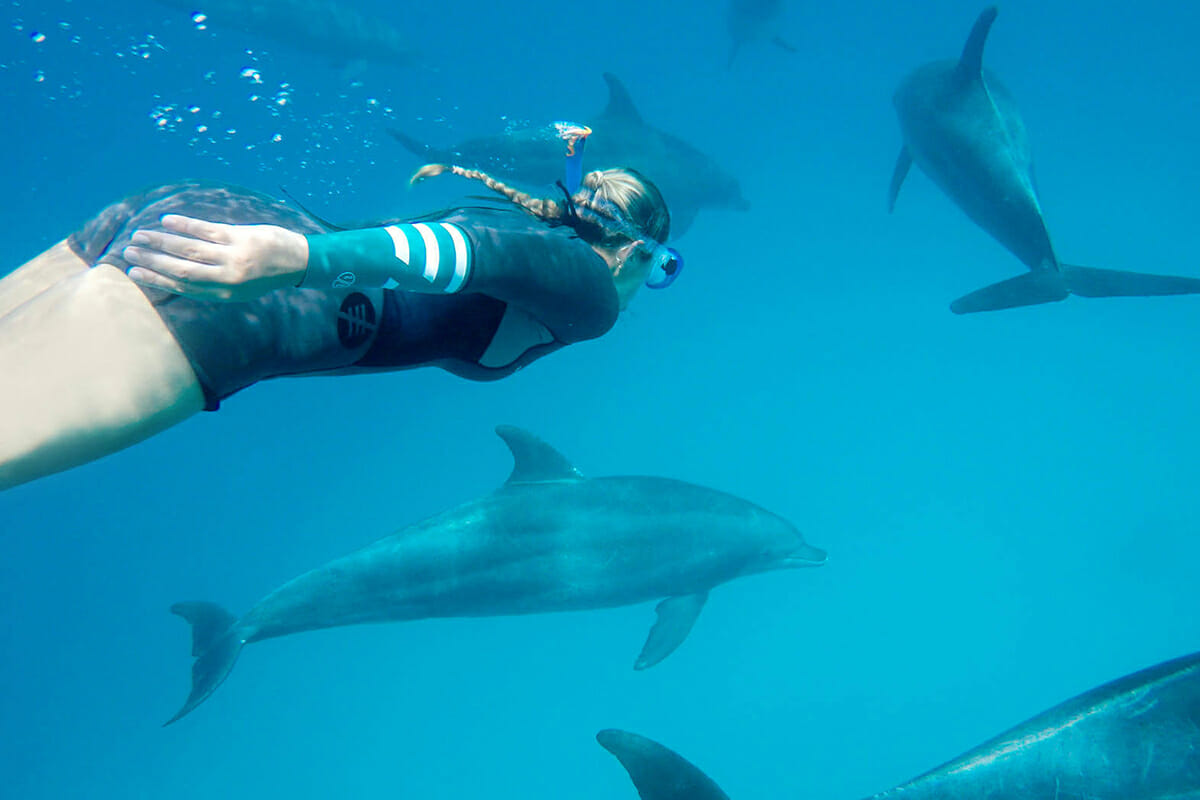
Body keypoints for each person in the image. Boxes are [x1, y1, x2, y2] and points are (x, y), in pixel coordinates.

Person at [0, 161, 682, 491]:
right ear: (639, 253)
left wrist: (295, 251)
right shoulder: (593, 293)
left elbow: (463, 249)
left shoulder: (522, 224)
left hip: (197, 213)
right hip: (240, 298)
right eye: (657, 269)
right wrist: (299, 261)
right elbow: (465, 257)